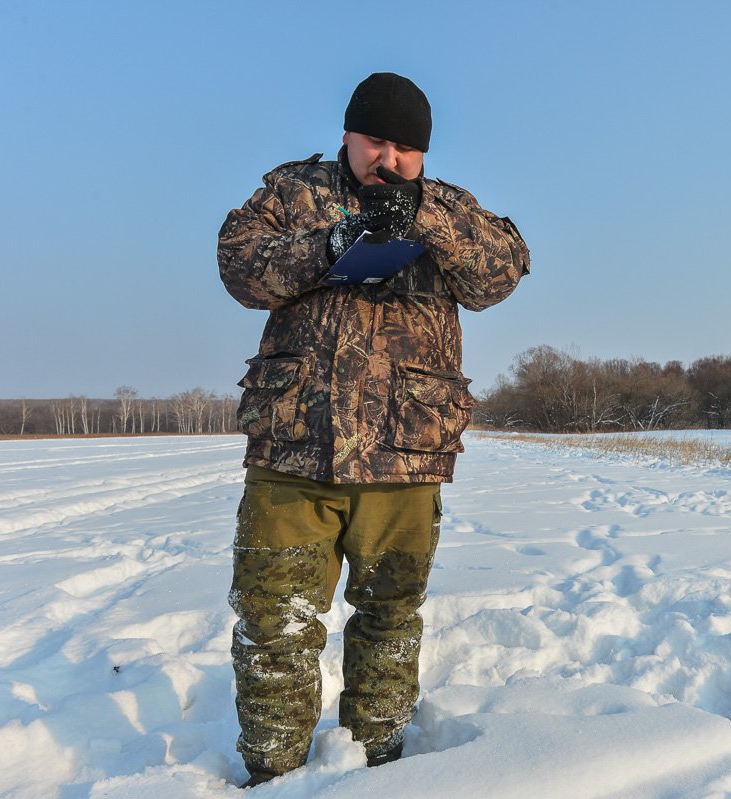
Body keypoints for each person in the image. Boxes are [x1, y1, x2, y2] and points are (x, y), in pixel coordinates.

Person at [217, 72, 529, 788]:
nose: (387, 158)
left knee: (389, 617)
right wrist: (331, 243)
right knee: (275, 621)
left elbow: (502, 271)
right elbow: (239, 266)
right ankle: (272, 772)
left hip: (406, 453)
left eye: (404, 147)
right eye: (375, 141)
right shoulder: (294, 194)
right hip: (294, 448)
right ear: (348, 135)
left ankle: (379, 767)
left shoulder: (446, 205)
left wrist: (427, 222)